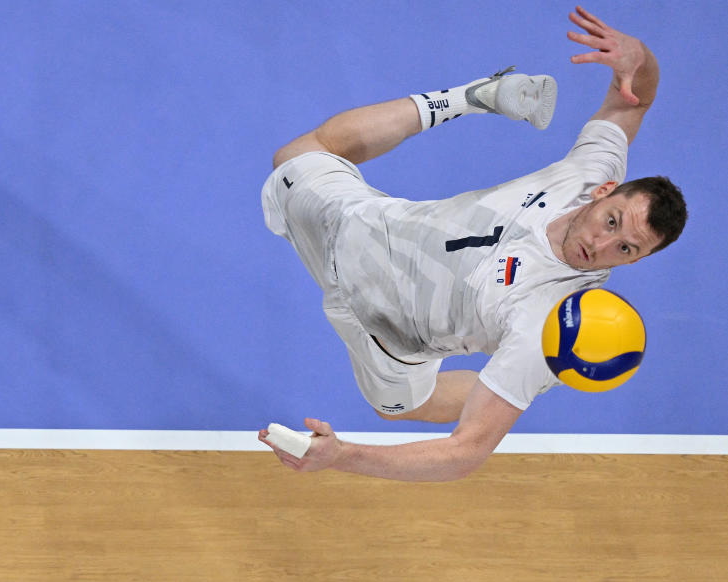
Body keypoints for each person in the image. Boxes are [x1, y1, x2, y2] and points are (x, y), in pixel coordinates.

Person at [258, 6, 686, 482]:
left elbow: (464, 453)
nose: (603, 244)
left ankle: (510, 388)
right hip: (363, 227)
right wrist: (640, 56)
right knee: (295, 156)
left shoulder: (549, 323)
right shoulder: (588, 174)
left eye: (626, 249)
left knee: (399, 409)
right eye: (612, 221)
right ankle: (472, 97)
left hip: (391, 342)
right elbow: (633, 102)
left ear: (639, 259)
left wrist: (343, 456)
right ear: (605, 191)